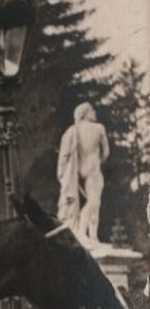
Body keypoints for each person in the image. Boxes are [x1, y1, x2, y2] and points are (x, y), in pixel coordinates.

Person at [56, 102, 110, 246]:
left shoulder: (72, 130)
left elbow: (64, 156)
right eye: (92, 110)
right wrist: (98, 162)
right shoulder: (99, 128)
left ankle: (89, 236)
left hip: (77, 171)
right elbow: (106, 152)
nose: (95, 112)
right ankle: (87, 234)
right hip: (93, 169)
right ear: (85, 113)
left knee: (88, 202)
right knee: (94, 202)